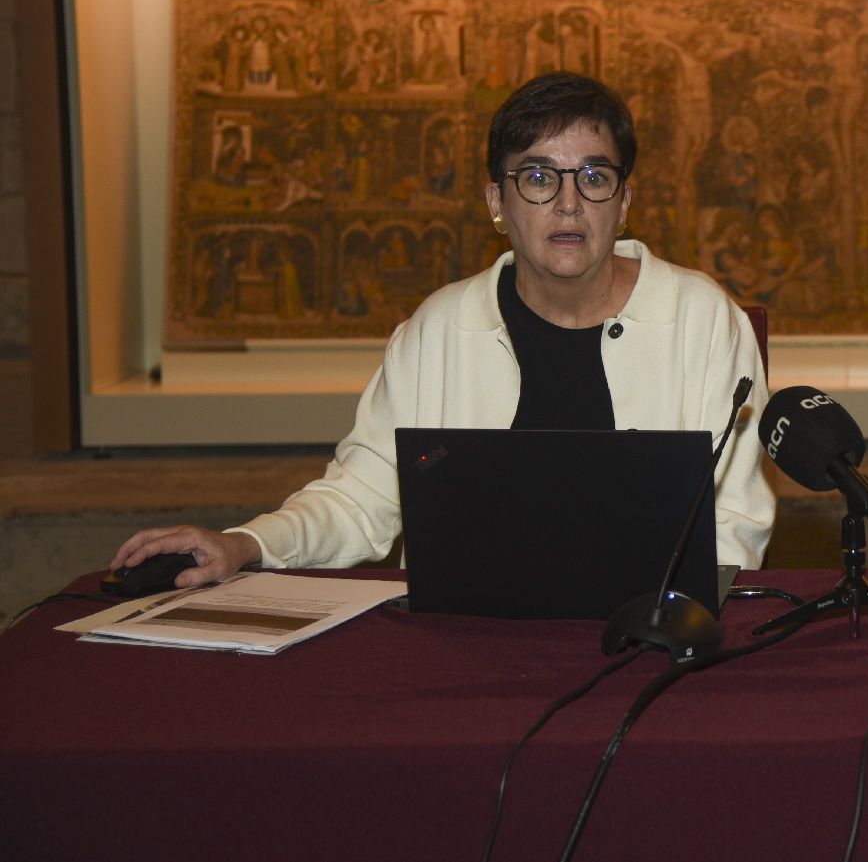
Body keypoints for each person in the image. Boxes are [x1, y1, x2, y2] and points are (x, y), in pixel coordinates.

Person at [113, 72, 777, 588]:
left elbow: (734, 528)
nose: (569, 203)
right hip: (468, 642)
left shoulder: (701, 320)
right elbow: (362, 498)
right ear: (497, 200)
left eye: (594, 177)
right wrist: (245, 543)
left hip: (647, 644)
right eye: (539, 177)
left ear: (625, 202)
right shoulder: (438, 329)